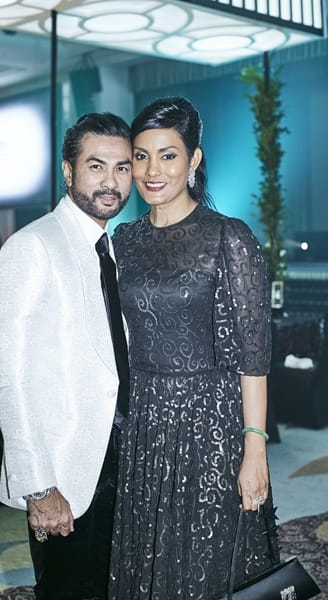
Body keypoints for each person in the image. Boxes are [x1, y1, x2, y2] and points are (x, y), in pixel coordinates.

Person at [108, 97, 280, 600]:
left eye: (168, 155)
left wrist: (255, 447)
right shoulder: (124, 239)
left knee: (208, 556)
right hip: (145, 419)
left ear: (194, 160)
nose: (152, 171)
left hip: (211, 421)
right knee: (150, 555)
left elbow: (253, 354)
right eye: (141, 156)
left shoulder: (228, 237)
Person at [0, 112, 132, 600]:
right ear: (69, 171)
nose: (110, 181)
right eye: (96, 166)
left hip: (121, 459)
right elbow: (10, 381)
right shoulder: (31, 247)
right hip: (65, 474)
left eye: (121, 167)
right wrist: (38, 487)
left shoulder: (112, 249)